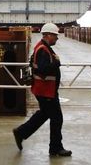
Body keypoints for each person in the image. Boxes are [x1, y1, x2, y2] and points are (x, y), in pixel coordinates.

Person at [13, 23, 72, 157]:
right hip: (46, 91)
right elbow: (43, 70)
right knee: (57, 118)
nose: (57, 38)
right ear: (48, 35)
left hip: (45, 90)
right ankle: (56, 148)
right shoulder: (43, 50)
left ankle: (21, 132)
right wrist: (56, 63)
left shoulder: (43, 48)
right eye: (55, 36)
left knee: (44, 114)